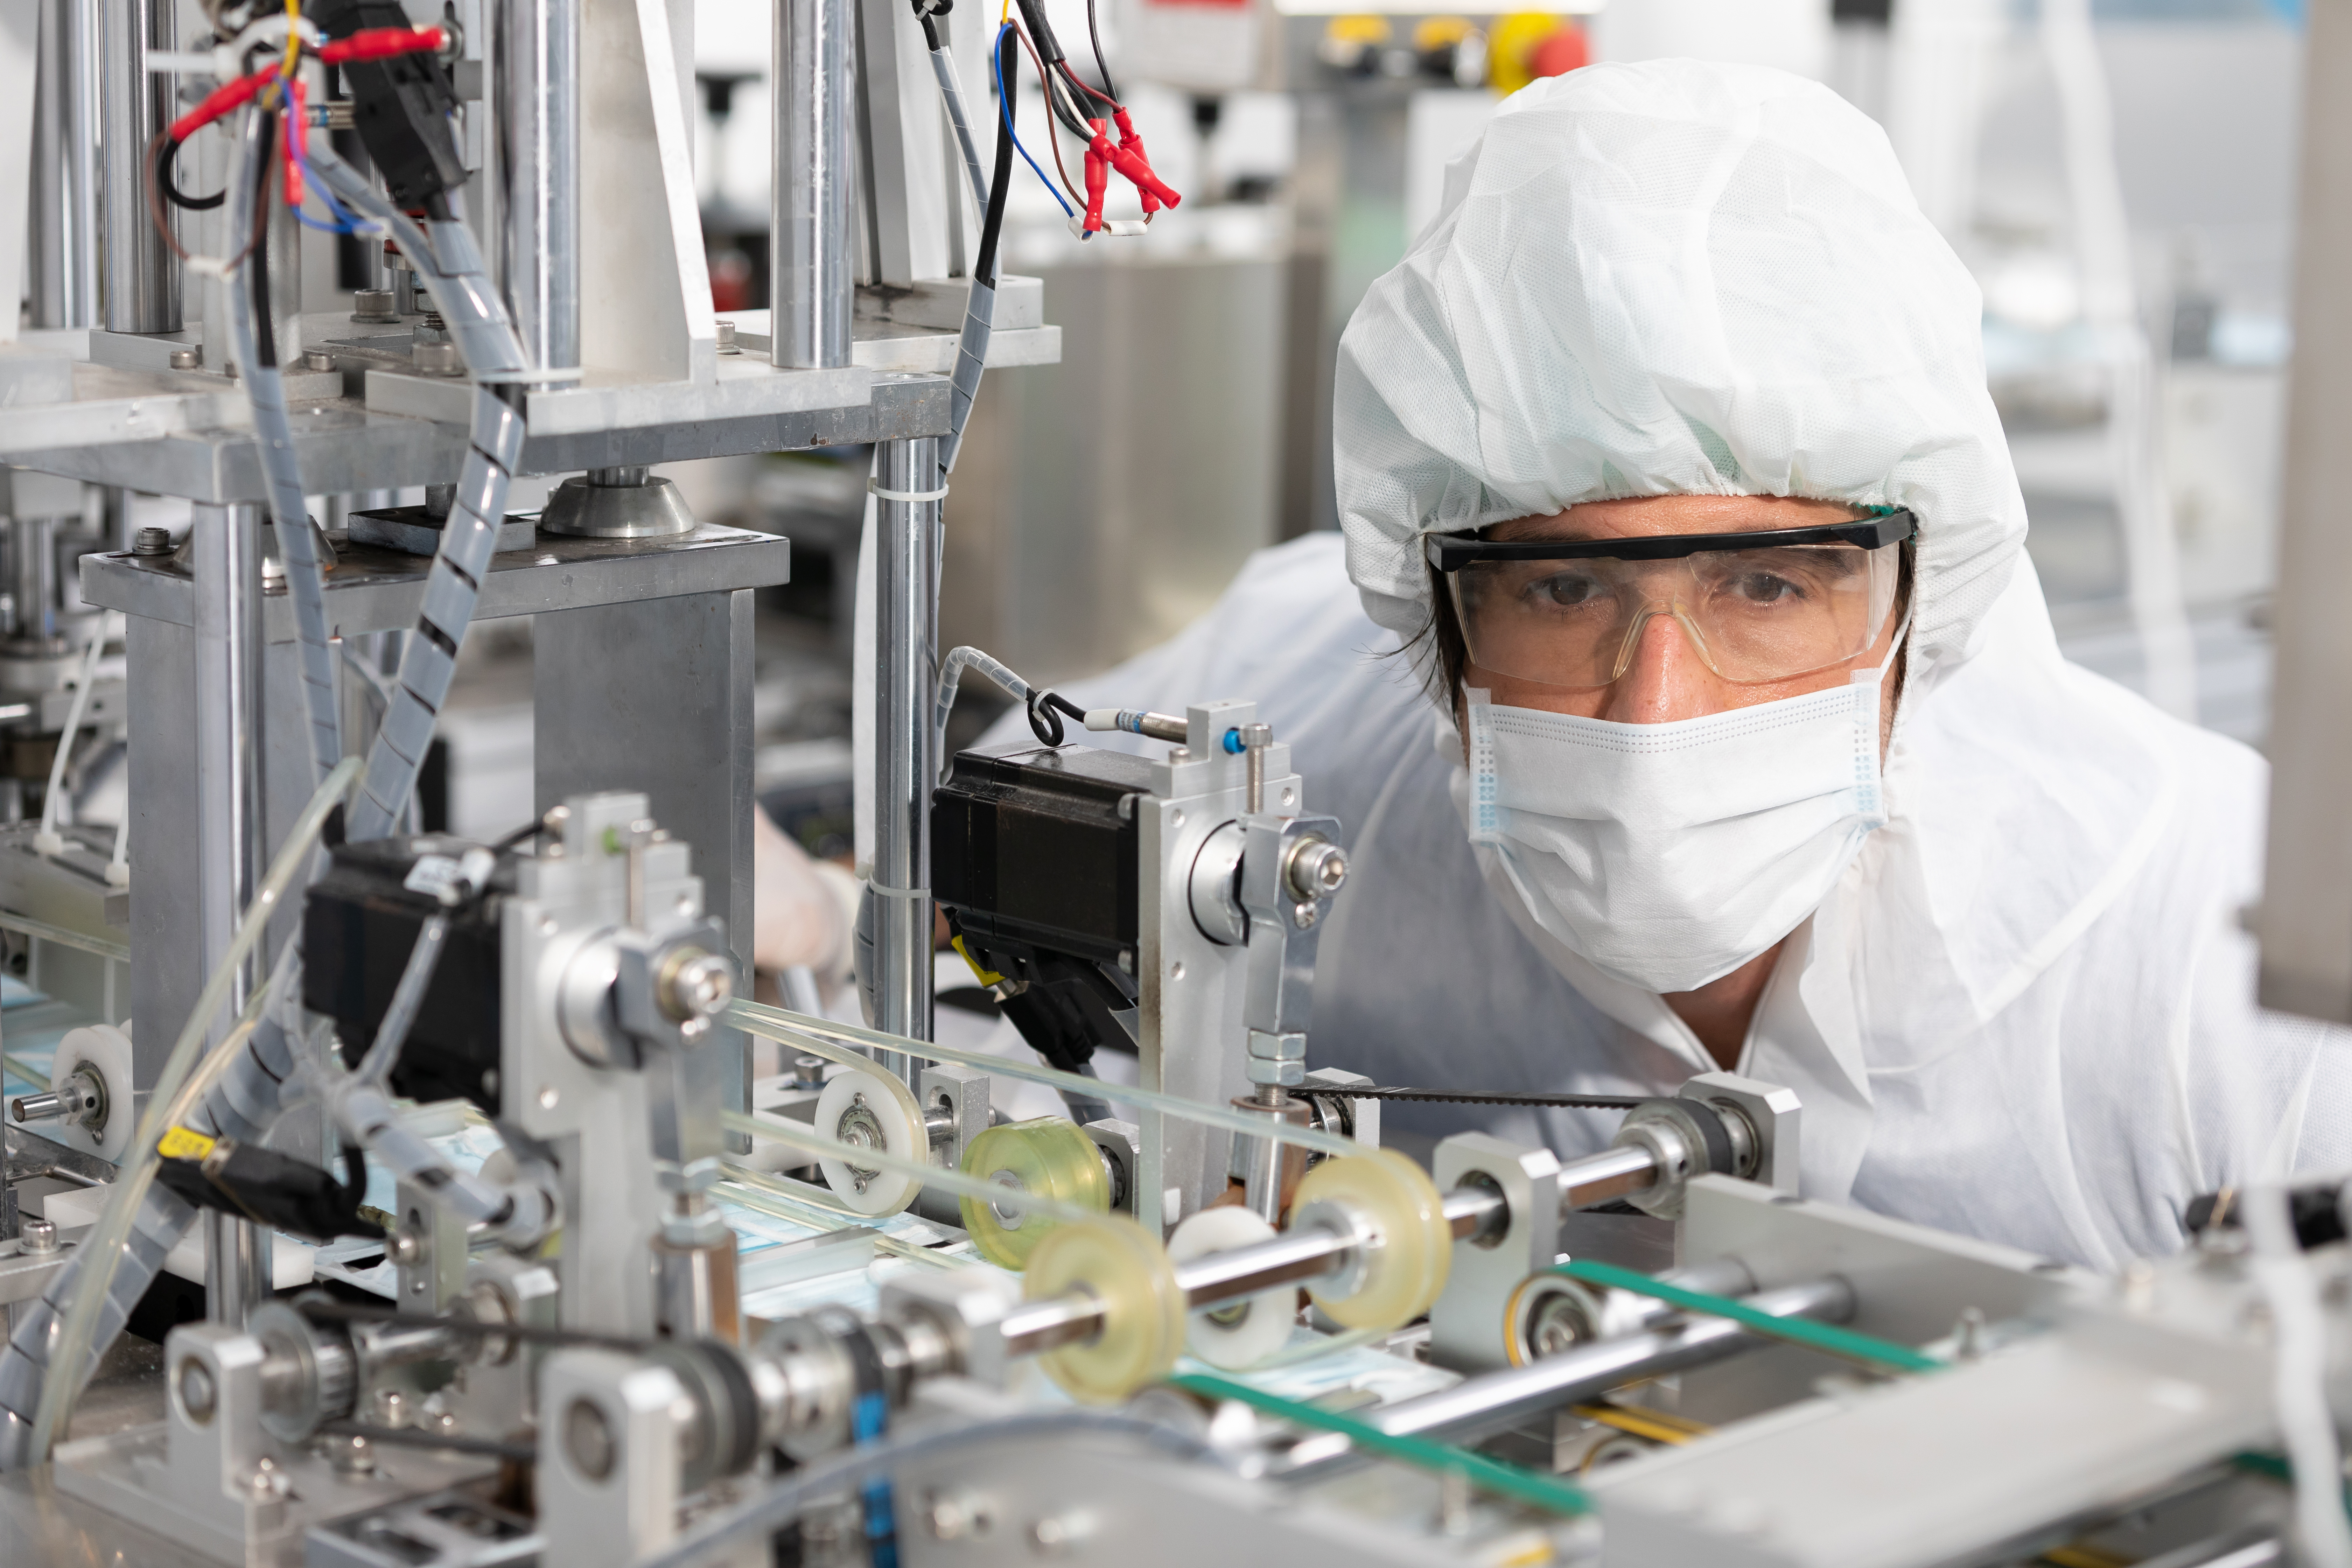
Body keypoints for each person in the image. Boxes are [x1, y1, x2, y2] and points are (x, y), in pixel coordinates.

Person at [948, 59, 2350, 1271]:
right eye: (1562, 587)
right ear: (1433, 619)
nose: (1657, 708)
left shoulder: (2214, 963)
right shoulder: (1315, 727)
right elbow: (963, 862)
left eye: (1768, 583)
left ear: (1923, 601)